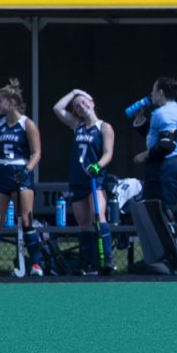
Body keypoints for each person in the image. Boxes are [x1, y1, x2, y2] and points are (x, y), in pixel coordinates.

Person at [53, 89, 115, 276]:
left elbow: (108, 153)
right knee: (84, 223)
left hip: (95, 180)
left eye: (85, 102)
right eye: (78, 105)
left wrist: (98, 166)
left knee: (98, 217)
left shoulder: (104, 127)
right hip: (78, 179)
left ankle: (107, 260)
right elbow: (57, 108)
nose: (82, 106)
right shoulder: (77, 125)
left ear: (92, 102)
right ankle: (89, 263)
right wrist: (74, 93)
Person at [0, 79, 41, 274]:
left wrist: (27, 170)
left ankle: (37, 264)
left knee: (26, 220)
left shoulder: (27, 124)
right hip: (2, 173)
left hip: (21, 173)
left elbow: (36, 152)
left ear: (11, 102)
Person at [131, 76, 177, 217]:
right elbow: (155, 136)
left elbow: (167, 144)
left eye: (153, 90)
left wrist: (144, 155)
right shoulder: (170, 109)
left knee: (159, 210)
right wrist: (140, 119)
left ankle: (168, 238)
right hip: (166, 165)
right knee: (154, 207)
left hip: (165, 166)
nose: (151, 93)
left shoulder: (166, 113)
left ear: (160, 92)